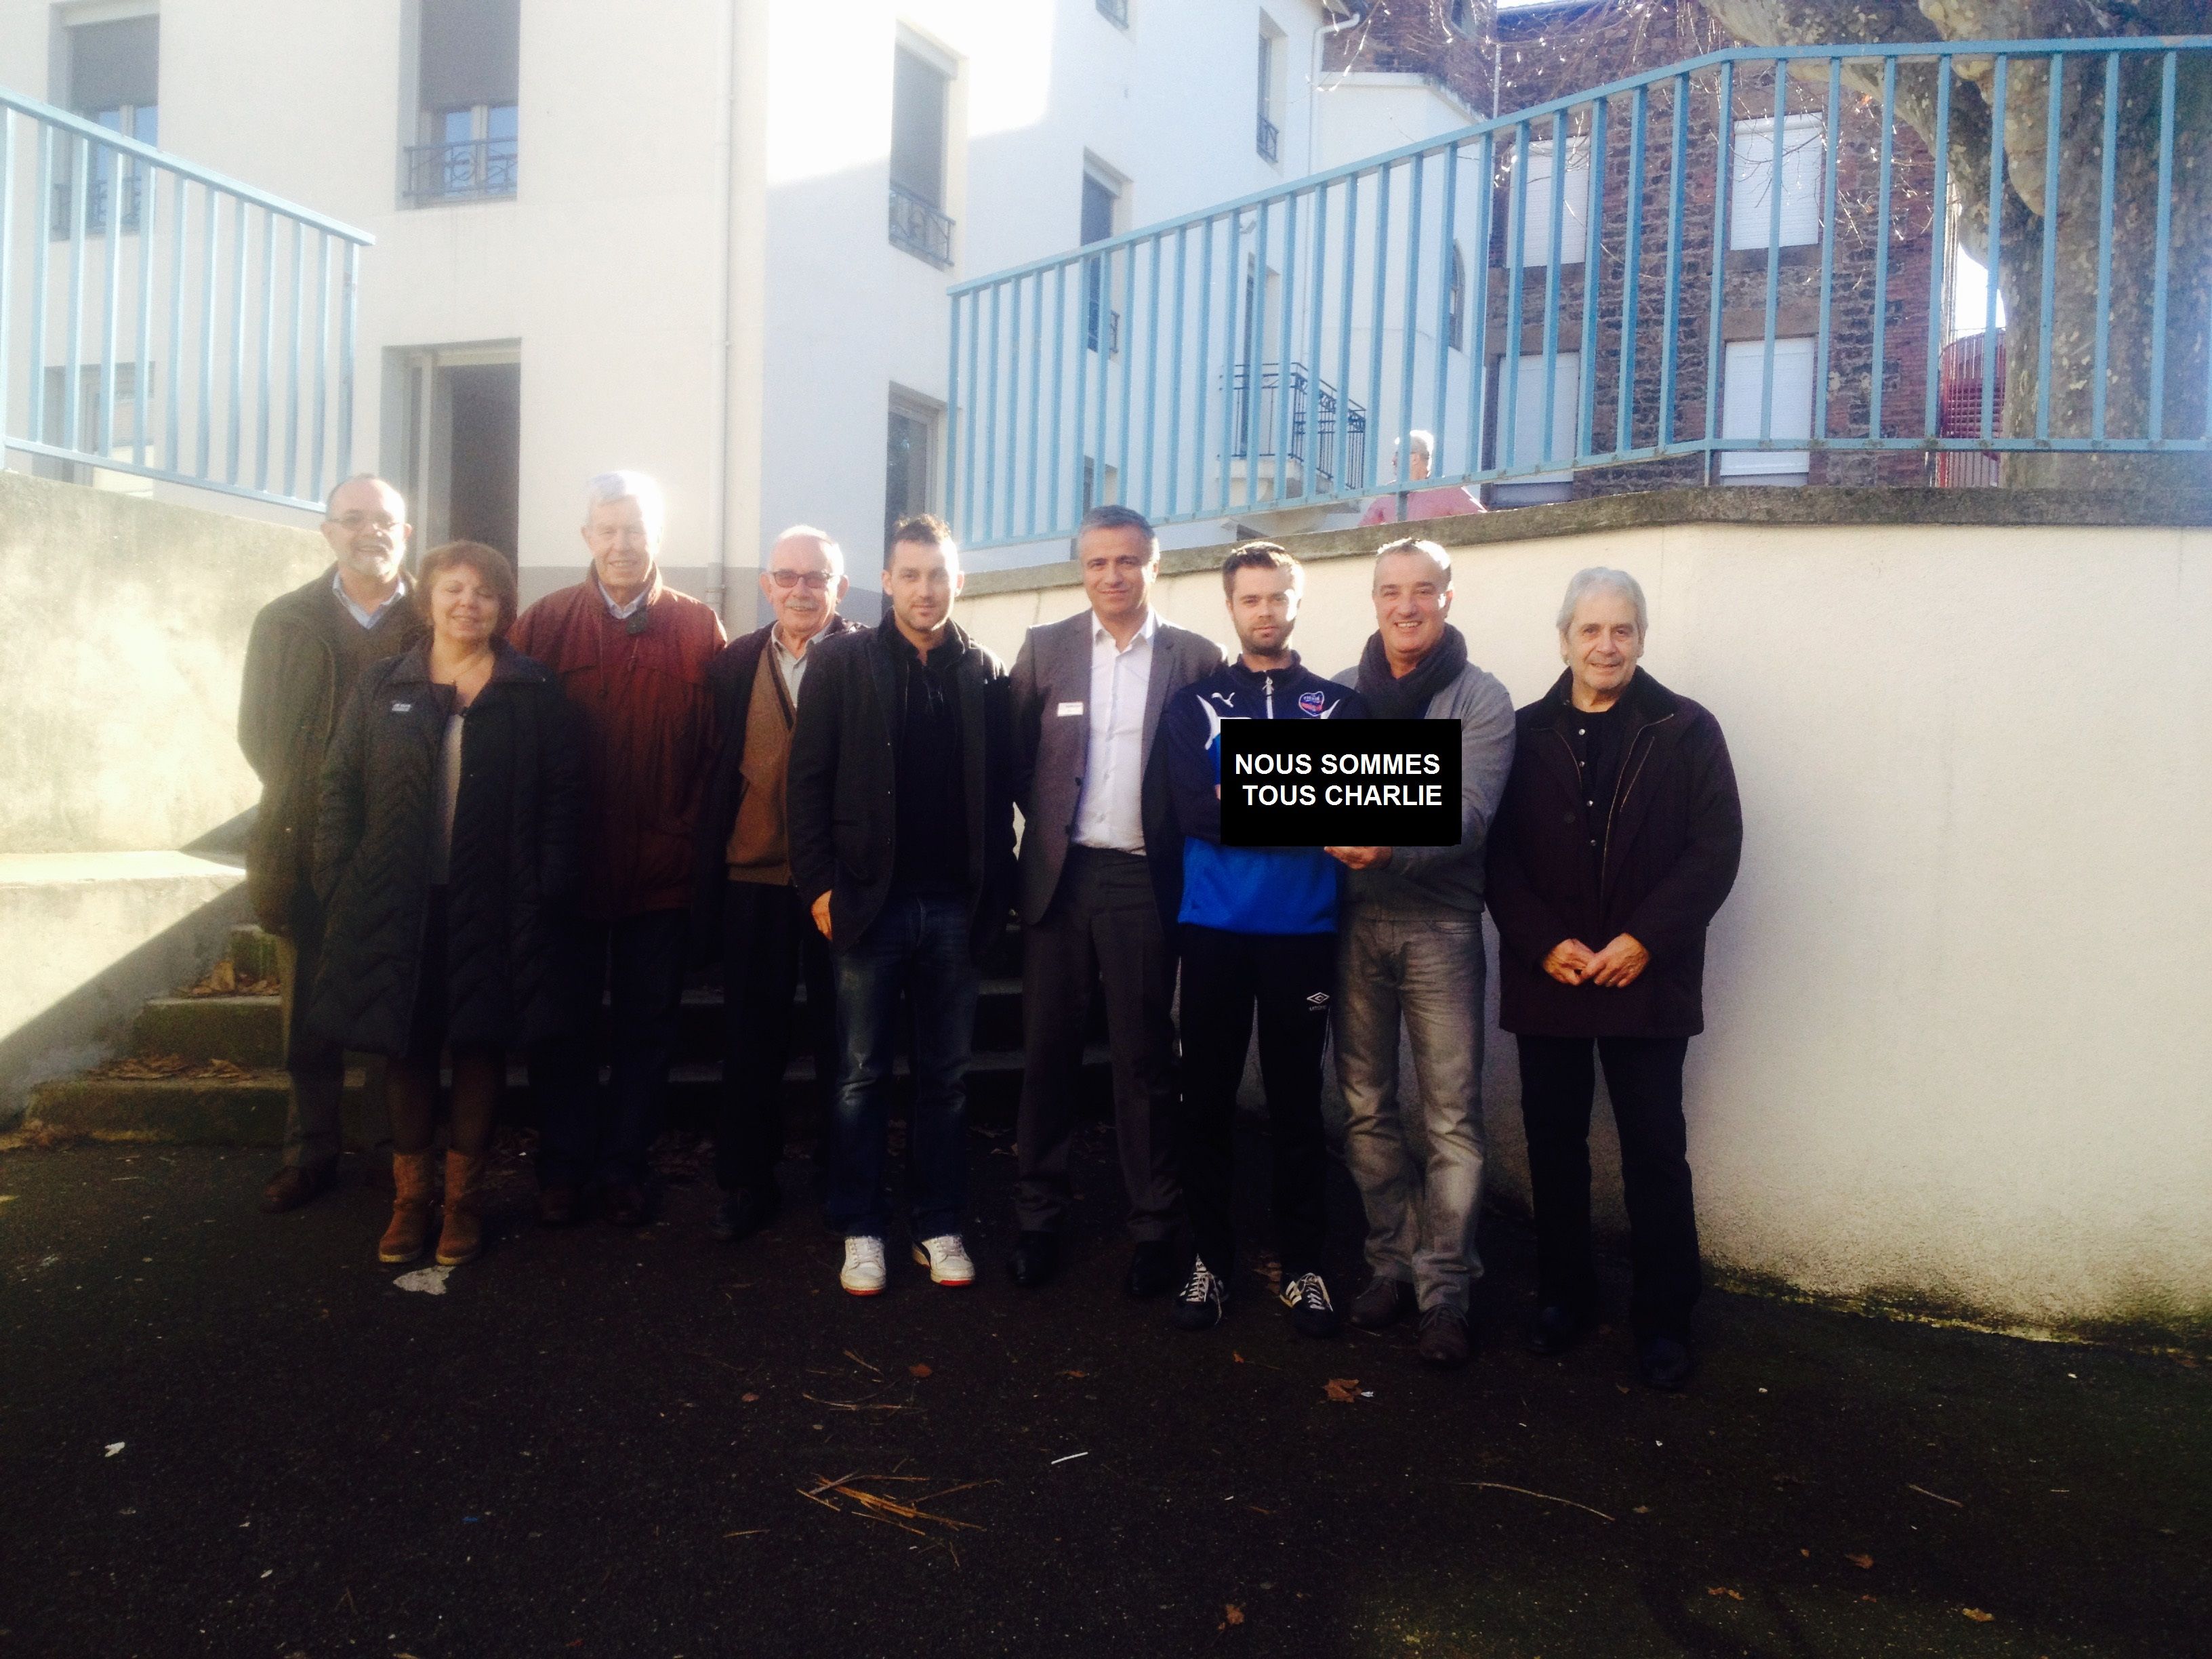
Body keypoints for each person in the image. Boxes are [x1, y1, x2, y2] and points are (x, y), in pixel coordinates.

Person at [1485, 567, 1742, 1391]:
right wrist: (1539, 941)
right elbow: (1497, 856)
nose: (1606, 645)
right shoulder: (1521, 733)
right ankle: (1565, 1298)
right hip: (1549, 976)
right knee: (1554, 1150)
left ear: (1640, 638)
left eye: (1622, 630)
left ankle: (1664, 1320)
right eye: (1590, 630)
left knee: (1655, 1153)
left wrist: (1644, 940)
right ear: (1563, 639)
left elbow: (1715, 850)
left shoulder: (1687, 728)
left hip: (1646, 979)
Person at [309, 541, 582, 1268]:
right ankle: (410, 1202)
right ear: (428, 598)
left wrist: (549, 882)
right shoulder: (381, 685)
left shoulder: (533, 688)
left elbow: (563, 797)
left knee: (481, 1047)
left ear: (503, 605)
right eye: (454, 589)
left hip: (496, 904)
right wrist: (341, 878)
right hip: (400, 904)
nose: (469, 603)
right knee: (406, 1048)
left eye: (485, 592)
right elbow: (339, 788)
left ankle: (463, 1203)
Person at [787, 514, 1015, 1297]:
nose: (926, 589)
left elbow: (1002, 789)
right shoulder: (843, 662)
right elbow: (806, 783)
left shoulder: (981, 670)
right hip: (866, 906)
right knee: (859, 1075)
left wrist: (1000, 889)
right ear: (887, 581)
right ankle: (860, 1224)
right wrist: (818, 887)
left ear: (960, 580)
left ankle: (938, 1220)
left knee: (946, 1078)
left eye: (939, 574)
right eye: (910, 575)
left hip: (954, 906)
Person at [1003, 506, 1225, 1296]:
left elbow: (1221, 771)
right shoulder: (1046, 649)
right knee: (1048, 1057)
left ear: (1154, 565)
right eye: (1097, 562)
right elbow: (1012, 756)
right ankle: (1038, 1217)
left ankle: (1154, 1226)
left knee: (1142, 1061)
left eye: (1127, 561)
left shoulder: (1196, 658)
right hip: (1061, 880)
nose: (1111, 576)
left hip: (1143, 880)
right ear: (1081, 568)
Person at [1152, 543, 1365, 1337]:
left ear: (1298, 602)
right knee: (1204, 1099)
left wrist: (1243, 787)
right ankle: (1211, 1260)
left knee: (1297, 1105)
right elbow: (1193, 814)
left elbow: (1362, 809)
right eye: (1251, 600)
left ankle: (1303, 1265)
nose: (1266, 612)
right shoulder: (1194, 705)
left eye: (1279, 598)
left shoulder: (1340, 708)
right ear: (1231, 607)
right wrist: (1303, 792)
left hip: (1302, 936)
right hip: (1212, 932)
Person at [509, 473, 726, 1227]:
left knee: (647, 1028)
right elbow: (512, 744)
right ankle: (564, 1166)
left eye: (636, 529)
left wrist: (690, 837)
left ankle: (624, 1165)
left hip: (661, 872)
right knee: (560, 1023)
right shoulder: (542, 624)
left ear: (657, 537)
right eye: (608, 529)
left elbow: (719, 753)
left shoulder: (700, 629)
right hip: (565, 869)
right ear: (586, 538)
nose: (623, 543)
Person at [1324, 538, 1516, 1369]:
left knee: (1449, 1118)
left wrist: (1385, 847)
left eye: (1424, 591)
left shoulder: (1483, 698)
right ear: (1374, 601)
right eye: (1392, 591)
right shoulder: (1332, 698)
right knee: (1366, 1109)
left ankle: (1445, 1290)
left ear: (1448, 596)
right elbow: (1308, 800)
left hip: (1440, 925)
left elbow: (1468, 814)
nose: (1407, 606)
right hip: (1353, 926)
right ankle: (1388, 1265)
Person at [239, 475, 424, 1214]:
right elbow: (258, 732)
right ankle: (309, 1151)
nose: (369, 531)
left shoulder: (433, 617)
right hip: (304, 842)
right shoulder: (284, 620)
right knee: (307, 1013)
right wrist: (308, 805)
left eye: (384, 520)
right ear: (327, 532)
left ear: (406, 533)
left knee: (396, 1005)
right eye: (353, 519)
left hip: (402, 844)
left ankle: (391, 1152)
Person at [691, 526, 854, 1244]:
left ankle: (842, 1175)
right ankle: (746, 1184)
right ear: (766, 585)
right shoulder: (731, 664)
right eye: (786, 576)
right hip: (751, 879)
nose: (800, 589)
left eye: (816, 577)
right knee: (750, 1038)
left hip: (839, 885)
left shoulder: (867, 658)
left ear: (839, 588)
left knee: (842, 1038)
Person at [1359, 431, 1485, 526]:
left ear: (1414, 458)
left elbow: (1481, 523)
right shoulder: (1388, 494)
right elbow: (1362, 531)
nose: (1393, 460)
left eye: (1398, 454)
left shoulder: (1447, 490)